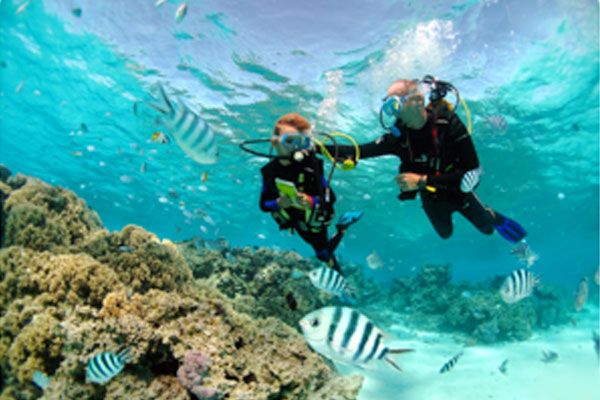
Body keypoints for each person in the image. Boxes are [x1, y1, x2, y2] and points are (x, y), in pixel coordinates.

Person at [329, 77, 526, 243]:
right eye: (388, 107)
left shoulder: (448, 123)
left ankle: (491, 215)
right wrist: (315, 147)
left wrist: (421, 181)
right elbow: (358, 151)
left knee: (487, 228)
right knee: (445, 234)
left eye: (394, 104)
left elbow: (471, 171)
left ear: (416, 100)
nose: (393, 113)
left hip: (458, 188)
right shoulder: (399, 137)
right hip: (431, 196)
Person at [259, 113, 363, 273]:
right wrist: (278, 203)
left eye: (301, 142)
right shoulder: (269, 171)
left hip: (314, 221)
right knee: (320, 251)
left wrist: (312, 201)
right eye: (289, 140)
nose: (295, 148)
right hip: (295, 221)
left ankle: (342, 228)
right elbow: (263, 204)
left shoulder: (310, 165)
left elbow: (331, 197)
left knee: (323, 254)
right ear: (274, 142)